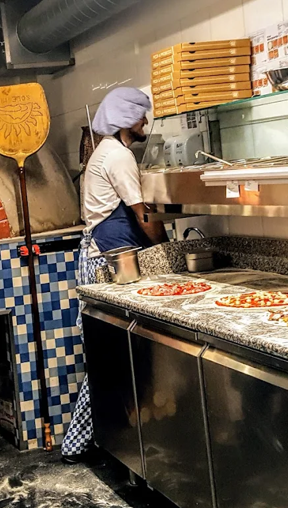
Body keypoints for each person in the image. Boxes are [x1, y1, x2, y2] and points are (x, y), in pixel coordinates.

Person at [61, 87, 168, 464]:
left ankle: (118, 443)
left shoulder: (105, 152)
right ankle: (77, 444)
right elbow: (142, 215)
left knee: (115, 360)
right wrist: (163, 250)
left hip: (101, 261)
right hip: (110, 265)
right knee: (110, 362)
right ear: (127, 118)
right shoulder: (118, 156)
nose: (145, 122)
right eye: (141, 115)